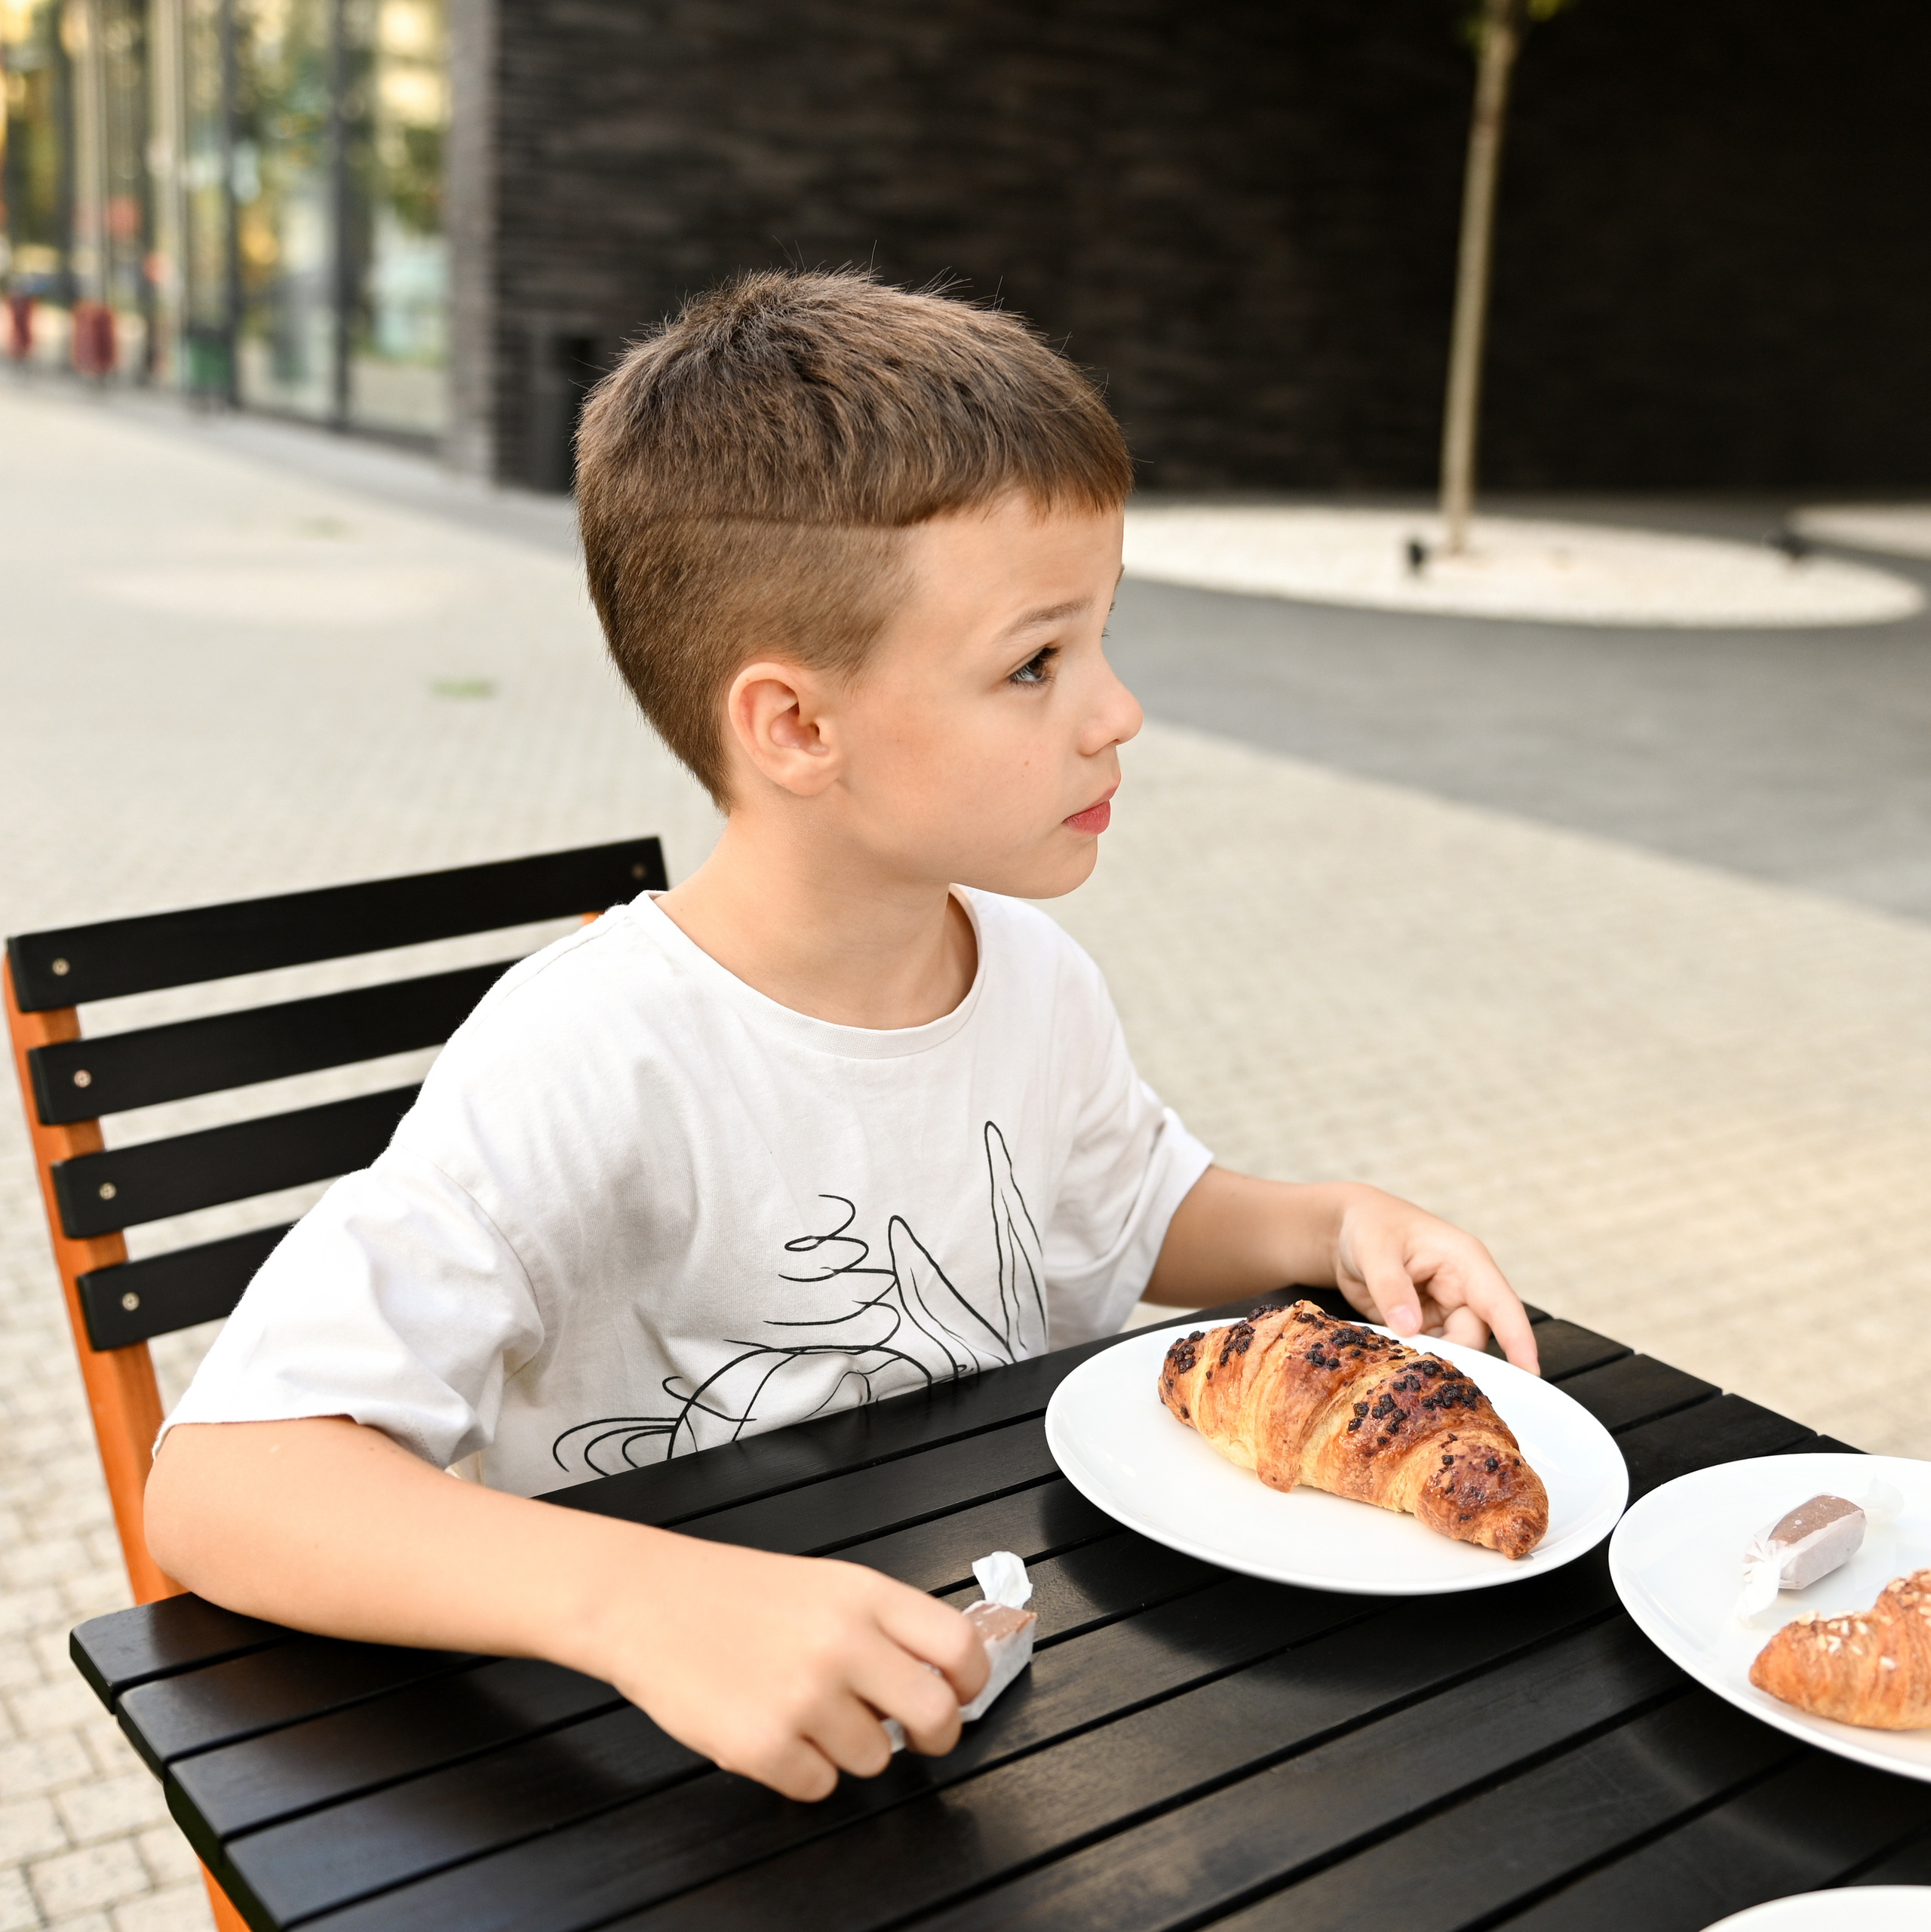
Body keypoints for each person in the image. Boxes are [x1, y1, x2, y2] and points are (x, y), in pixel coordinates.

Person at [146, 269, 1539, 1803]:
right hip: (684, 1776)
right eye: (1034, 663)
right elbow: (221, 1488)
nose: (1116, 711)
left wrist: (1334, 1218)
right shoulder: (593, 1054)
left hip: (1020, 1712)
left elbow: (1141, 1213)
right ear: (797, 728)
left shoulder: (1032, 978)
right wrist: (634, 1601)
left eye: (1101, 637)